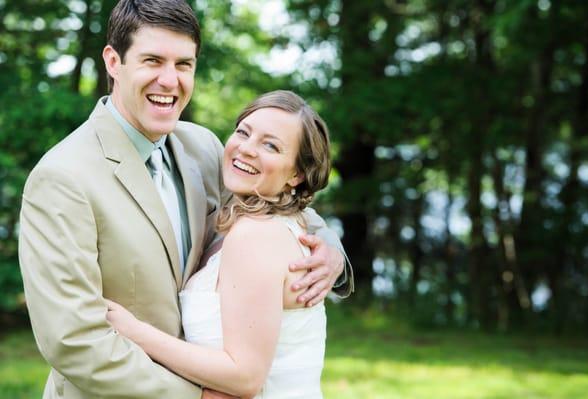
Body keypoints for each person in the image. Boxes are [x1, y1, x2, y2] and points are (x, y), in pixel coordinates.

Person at [17, 1, 353, 398]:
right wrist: (196, 396)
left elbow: (277, 206)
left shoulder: (204, 148)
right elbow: (73, 341)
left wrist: (331, 248)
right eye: (152, 60)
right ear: (113, 61)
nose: (169, 80)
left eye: (183, 64)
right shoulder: (63, 177)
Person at [107, 90, 334, 399]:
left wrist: (135, 332)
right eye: (243, 132)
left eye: (270, 145)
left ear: (296, 173)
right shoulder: (274, 226)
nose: (247, 149)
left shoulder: (255, 236)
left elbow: (245, 377)